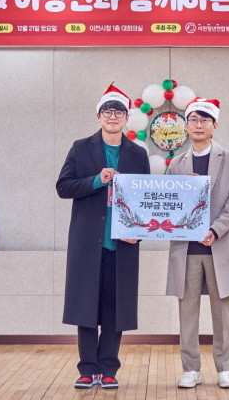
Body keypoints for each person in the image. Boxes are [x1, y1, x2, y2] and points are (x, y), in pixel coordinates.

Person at [56, 84, 150, 390]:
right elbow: (63, 187)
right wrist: (97, 180)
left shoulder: (138, 154)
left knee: (114, 309)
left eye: (119, 112)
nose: (113, 116)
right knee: (85, 307)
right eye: (107, 111)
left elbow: (146, 200)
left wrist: (138, 233)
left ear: (126, 119)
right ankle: (87, 369)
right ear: (98, 116)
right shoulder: (81, 148)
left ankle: (109, 368)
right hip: (87, 244)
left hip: (122, 245)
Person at [166, 97, 229, 389]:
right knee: (187, 312)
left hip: (220, 246)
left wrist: (215, 230)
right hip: (186, 248)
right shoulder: (176, 164)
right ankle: (191, 369)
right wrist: (184, 190)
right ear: (186, 125)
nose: (198, 125)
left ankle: (225, 368)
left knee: (223, 313)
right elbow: (169, 204)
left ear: (215, 125)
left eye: (205, 120)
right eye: (193, 119)